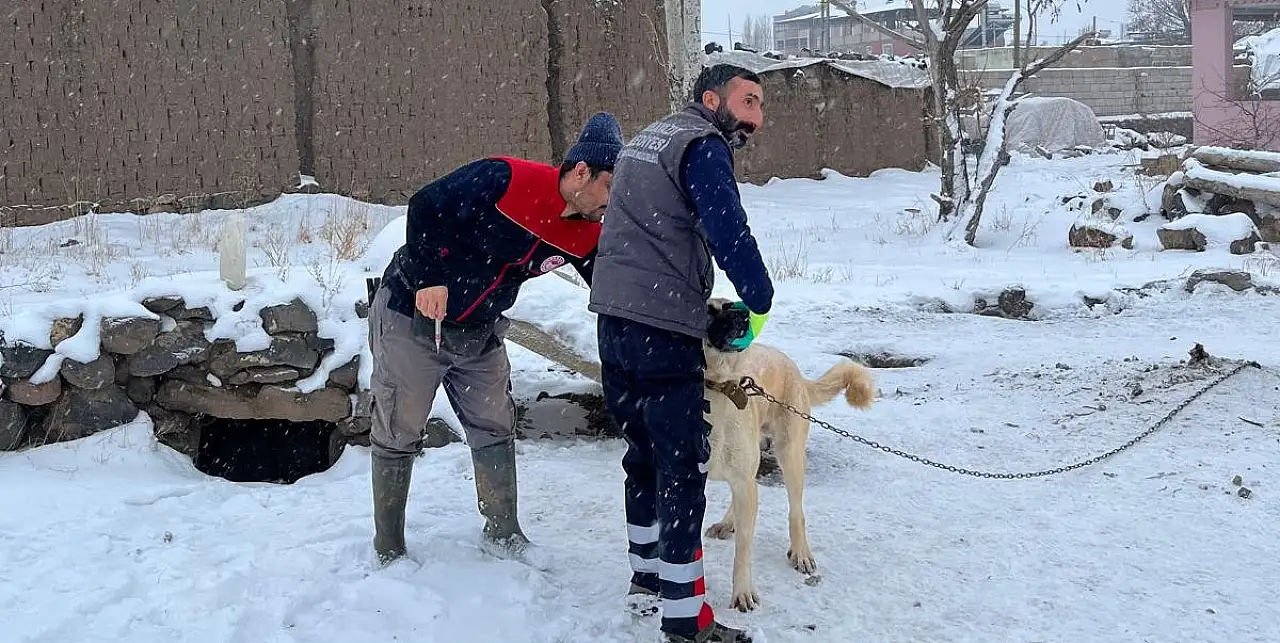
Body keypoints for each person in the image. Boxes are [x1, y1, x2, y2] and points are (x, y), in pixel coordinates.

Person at [367, 112, 624, 566]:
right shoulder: (505, 178)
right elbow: (426, 205)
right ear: (581, 172)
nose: (613, 199)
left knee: (494, 424)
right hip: (412, 313)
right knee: (399, 427)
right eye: (609, 186)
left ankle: (503, 532)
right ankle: (388, 546)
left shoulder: (588, 232)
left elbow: (611, 286)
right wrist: (428, 277)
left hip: (480, 331)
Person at [588, 65, 775, 643]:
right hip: (662, 327)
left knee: (641, 453)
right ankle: (686, 618)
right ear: (711, 99)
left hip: (614, 319)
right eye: (749, 102)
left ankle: (646, 577)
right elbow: (727, 226)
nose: (756, 119)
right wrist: (759, 295)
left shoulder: (651, 138)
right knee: (683, 470)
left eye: (761, 107)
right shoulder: (703, 146)